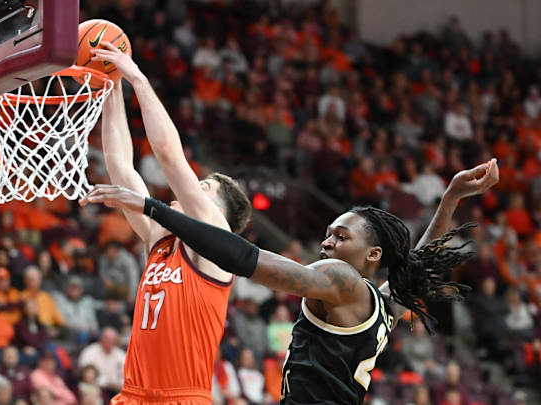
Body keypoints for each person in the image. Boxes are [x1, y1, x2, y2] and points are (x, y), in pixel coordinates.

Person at [80, 158, 499, 404]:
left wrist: (154, 208)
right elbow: (420, 267)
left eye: (341, 236)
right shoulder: (379, 303)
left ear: (374, 255)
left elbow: (241, 255)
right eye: (328, 232)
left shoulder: (340, 280)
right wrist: (450, 200)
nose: (327, 240)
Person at [89, 41, 252, 405]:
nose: (193, 187)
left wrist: (138, 79)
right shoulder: (160, 239)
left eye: (204, 186)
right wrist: (110, 84)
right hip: (132, 395)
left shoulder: (214, 241)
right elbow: (119, 165)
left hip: (182, 398)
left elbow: (167, 154)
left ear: (219, 214)